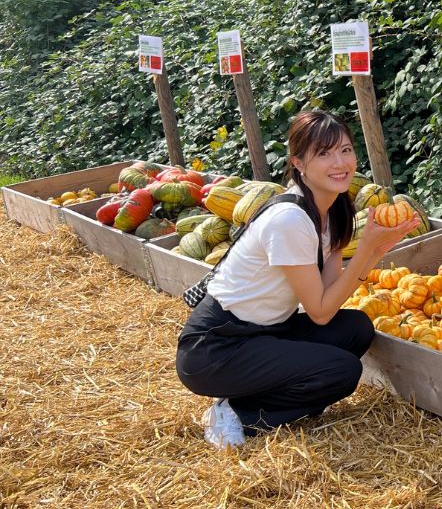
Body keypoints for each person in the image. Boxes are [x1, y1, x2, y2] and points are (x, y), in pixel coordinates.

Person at [175, 110, 420, 448]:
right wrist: (365, 250)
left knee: (356, 329)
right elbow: (318, 311)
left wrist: (376, 251)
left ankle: (252, 394)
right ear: (299, 162)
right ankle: (238, 413)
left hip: (266, 332)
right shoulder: (290, 219)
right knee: (342, 372)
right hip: (217, 348)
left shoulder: (334, 209)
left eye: (346, 150)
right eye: (324, 153)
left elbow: (331, 297)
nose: (340, 162)